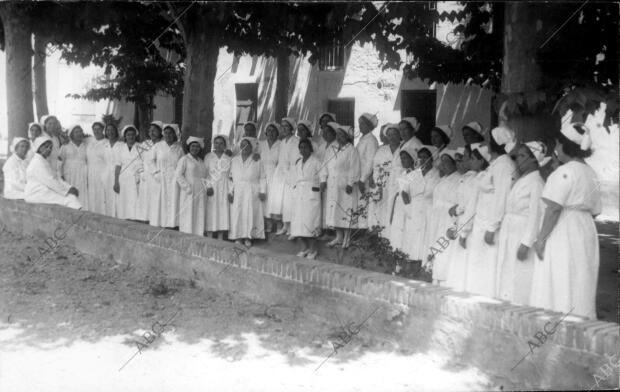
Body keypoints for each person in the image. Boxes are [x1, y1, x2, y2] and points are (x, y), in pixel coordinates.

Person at [530, 118, 601, 319]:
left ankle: (556, 320)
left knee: (561, 273)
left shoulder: (564, 172)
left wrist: (541, 239)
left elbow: (553, 209)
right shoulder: (591, 173)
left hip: (564, 228)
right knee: (581, 276)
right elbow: (595, 210)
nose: (556, 149)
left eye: (558, 144)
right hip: (585, 228)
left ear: (565, 146)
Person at [464, 127, 517, 297]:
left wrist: (492, 228)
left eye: (489, 140)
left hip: (490, 223)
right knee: (478, 264)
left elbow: (502, 197)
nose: (485, 143)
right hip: (481, 221)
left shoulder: (504, 166)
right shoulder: (496, 164)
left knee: (487, 266)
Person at [495, 142, 547, 304]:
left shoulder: (536, 183)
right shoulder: (521, 180)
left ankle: (519, 305)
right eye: (518, 156)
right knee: (507, 268)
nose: (518, 159)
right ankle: (505, 303)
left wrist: (526, 242)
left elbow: (535, 215)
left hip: (522, 232)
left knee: (520, 272)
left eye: (523, 156)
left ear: (534, 160)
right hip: (511, 229)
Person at [445, 144, 489, 291]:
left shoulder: (476, 179)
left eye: (469, 157)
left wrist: (457, 211)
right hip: (462, 222)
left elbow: (469, 206)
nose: (467, 160)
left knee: (466, 265)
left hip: (469, 226)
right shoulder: (468, 178)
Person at [321, 122, 361, 249]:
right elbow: (324, 165)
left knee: (345, 210)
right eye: (337, 135)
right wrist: (323, 180)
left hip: (345, 186)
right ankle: (338, 237)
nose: (339, 138)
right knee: (335, 210)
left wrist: (350, 183)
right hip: (332, 184)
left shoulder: (351, 150)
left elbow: (355, 168)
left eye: (341, 135)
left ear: (347, 137)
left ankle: (347, 238)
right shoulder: (331, 149)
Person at [427, 149, 461, 286]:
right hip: (437, 220)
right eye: (442, 162)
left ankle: (445, 283)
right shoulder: (442, 180)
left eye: (447, 162)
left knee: (445, 252)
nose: (443, 165)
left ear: (454, 164)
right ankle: (436, 281)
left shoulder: (459, 180)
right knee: (437, 252)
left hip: (448, 221)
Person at [228, 137, 266, 246]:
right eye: (243, 145)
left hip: (252, 189)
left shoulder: (257, 160)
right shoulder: (234, 160)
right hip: (238, 190)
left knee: (250, 213)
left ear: (252, 147)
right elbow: (230, 178)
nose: (245, 147)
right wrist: (230, 192)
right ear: (240, 147)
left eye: (247, 145)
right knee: (237, 213)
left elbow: (262, 177)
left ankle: (248, 237)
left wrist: (263, 191)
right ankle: (238, 236)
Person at [24, 135, 81, 209]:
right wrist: (66, 191)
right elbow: (50, 181)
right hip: (36, 193)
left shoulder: (43, 160)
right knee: (69, 200)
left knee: (71, 198)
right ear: (39, 148)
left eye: (50, 147)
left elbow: (55, 178)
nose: (49, 149)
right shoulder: (37, 162)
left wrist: (69, 188)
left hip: (44, 190)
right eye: (46, 147)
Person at [290, 139, 322, 259]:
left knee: (310, 220)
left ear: (310, 148)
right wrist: (294, 188)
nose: (303, 150)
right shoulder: (298, 163)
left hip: (311, 192)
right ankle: (304, 248)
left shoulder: (316, 161)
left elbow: (323, 175)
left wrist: (321, 185)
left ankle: (313, 249)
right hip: (299, 194)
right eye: (301, 147)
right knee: (299, 222)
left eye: (305, 147)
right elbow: (294, 177)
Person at [268, 117, 299, 236]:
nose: (284, 129)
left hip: (291, 172)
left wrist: (290, 173)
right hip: (280, 173)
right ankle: (285, 225)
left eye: (287, 127)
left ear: (291, 129)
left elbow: (295, 159)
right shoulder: (282, 142)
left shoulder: (295, 141)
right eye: (283, 127)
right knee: (283, 201)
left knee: (290, 200)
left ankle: (292, 228)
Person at [150, 123, 184, 228]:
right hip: (161, 179)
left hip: (174, 180)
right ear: (163, 134)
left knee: (173, 201)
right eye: (166, 133)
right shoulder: (158, 146)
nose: (168, 135)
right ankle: (160, 224)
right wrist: (156, 173)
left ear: (175, 134)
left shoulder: (179, 148)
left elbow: (182, 164)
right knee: (161, 201)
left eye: (170, 133)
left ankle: (172, 225)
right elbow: (150, 161)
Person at [367, 124, 401, 230]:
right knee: (379, 211)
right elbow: (376, 167)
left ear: (399, 135)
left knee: (394, 211)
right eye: (389, 135)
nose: (392, 137)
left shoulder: (403, 149)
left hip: (397, 185)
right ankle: (378, 234)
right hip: (382, 185)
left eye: (394, 134)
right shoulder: (382, 150)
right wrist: (376, 182)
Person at [176, 136, 208, 235]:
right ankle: (186, 233)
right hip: (189, 190)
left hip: (200, 190)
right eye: (193, 146)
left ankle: (198, 234)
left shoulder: (201, 161)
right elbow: (178, 174)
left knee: (198, 212)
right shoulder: (184, 159)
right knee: (188, 212)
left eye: (197, 147)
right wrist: (187, 187)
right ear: (189, 147)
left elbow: (204, 177)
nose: (195, 148)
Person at [204, 135, 232, 239]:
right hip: (212, 186)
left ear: (225, 145)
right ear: (213, 144)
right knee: (211, 211)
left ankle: (220, 237)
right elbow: (205, 173)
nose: (218, 145)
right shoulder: (208, 157)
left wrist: (230, 191)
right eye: (216, 143)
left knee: (222, 211)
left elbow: (230, 176)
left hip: (224, 187)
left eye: (221, 143)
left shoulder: (228, 158)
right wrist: (208, 186)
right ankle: (210, 235)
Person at [355, 113, 380, 230]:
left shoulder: (371, 140)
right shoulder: (363, 139)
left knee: (365, 204)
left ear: (370, 126)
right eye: (360, 124)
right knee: (360, 204)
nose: (360, 126)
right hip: (359, 176)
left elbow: (370, 161)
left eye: (363, 124)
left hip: (365, 178)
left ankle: (364, 230)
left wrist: (363, 179)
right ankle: (360, 229)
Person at [114, 125, 143, 220]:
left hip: (136, 178)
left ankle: (135, 219)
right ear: (125, 136)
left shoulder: (140, 147)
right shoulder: (121, 148)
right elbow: (118, 165)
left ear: (136, 136)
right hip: (123, 178)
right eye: (128, 135)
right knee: (123, 200)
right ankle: (123, 218)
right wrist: (116, 182)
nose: (131, 137)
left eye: (132, 135)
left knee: (135, 199)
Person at [137, 121, 163, 222]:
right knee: (145, 199)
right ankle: (145, 220)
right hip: (146, 176)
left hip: (157, 177)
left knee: (156, 200)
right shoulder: (145, 144)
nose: (151, 133)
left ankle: (155, 220)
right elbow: (139, 159)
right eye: (150, 130)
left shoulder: (162, 145)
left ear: (160, 132)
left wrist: (157, 173)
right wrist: (141, 171)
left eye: (154, 130)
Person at [58, 124, 89, 209]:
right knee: (71, 195)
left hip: (82, 174)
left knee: (82, 194)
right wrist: (61, 176)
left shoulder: (86, 145)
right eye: (76, 132)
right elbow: (59, 163)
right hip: (69, 175)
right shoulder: (65, 146)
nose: (79, 134)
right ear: (71, 134)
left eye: (81, 131)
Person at [259, 123, 281, 234]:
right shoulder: (260, 145)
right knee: (264, 200)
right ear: (265, 132)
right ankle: (267, 224)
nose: (271, 133)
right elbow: (255, 157)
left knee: (275, 200)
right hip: (262, 176)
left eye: (273, 131)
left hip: (276, 176)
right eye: (269, 131)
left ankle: (277, 225)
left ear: (277, 133)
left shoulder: (280, 144)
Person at [85, 121, 108, 215]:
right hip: (91, 173)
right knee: (92, 194)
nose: (96, 131)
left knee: (101, 195)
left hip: (102, 172)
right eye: (94, 129)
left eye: (99, 129)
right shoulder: (89, 141)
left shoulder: (106, 142)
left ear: (103, 130)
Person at [103, 123, 124, 217]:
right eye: (108, 130)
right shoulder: (104, 145)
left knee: (118, 197)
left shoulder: (122, 145)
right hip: (106, 174)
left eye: (112, 130)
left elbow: (121, 163)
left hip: (118, 173)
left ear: (116, 131)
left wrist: (117, 180)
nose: (110, 132)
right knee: (108, 197)